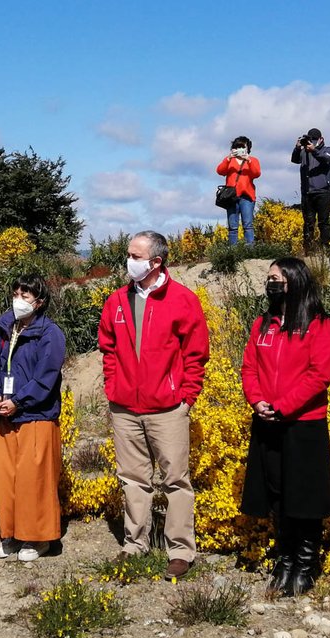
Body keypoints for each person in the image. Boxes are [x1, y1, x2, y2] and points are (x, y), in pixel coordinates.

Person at [97, 231, 209, 579]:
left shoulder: (183, 300)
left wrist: (185, 397)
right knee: (132, 478)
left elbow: (196, 354)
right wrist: (114, 386)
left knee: (176, 480)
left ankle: (180, 550)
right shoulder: (116, 300)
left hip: (168, 408)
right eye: (129, 254)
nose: (129, 261)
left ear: (156, 261)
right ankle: (135, 543)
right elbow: (108, 349)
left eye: (135, 255)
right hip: (125, 407)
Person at [239, 258, 330, 597]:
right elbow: (249, 368)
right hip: (267, 421)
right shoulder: (263, 324)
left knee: (305, 497)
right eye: (269, 278)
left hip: (303, 424)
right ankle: (285, 559)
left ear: (295, 281)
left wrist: (283, 406)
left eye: (277, 278)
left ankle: (306, 563)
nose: (271, 283)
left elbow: (319, 375)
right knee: (278, 494)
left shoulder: (319, 324)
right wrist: (258, 402)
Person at [0, 274, 66, 562]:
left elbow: (47, 377)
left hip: (36, 415)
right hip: (2, 416)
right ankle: (11, 534)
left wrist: (19, 401)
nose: (18, 299)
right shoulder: (4, 327)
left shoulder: (50, 334)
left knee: (34, 480)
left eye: (25, 295)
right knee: (7, 479)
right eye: (16, 293)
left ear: (39, 302)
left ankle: (38, 538)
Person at [290, 128, 330, 253]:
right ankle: (308, 250)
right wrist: (297, 148)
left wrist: (314, 150)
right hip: (307, 193)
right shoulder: (304, 152)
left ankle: (326, 249)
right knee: (308, 223)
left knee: (323, 222)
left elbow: (327, 159)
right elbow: (294, 160)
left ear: (321, 139)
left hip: (323, 192)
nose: (312, 142)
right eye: (311, 140)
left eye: (315, 140)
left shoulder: (327, 150)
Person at [216, 136, 262, 245]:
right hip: (231, 197)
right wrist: (228, 158)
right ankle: (233, 251)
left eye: (242, 146)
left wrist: (248, 160)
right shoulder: (229, 160)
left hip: (247, 196)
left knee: (248, 225)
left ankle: (249, 249)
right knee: (233, 226)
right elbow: (220, 171)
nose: (240, 149)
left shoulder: (253, 160)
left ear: (247, 148)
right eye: (237, 147)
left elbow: (256, 173)